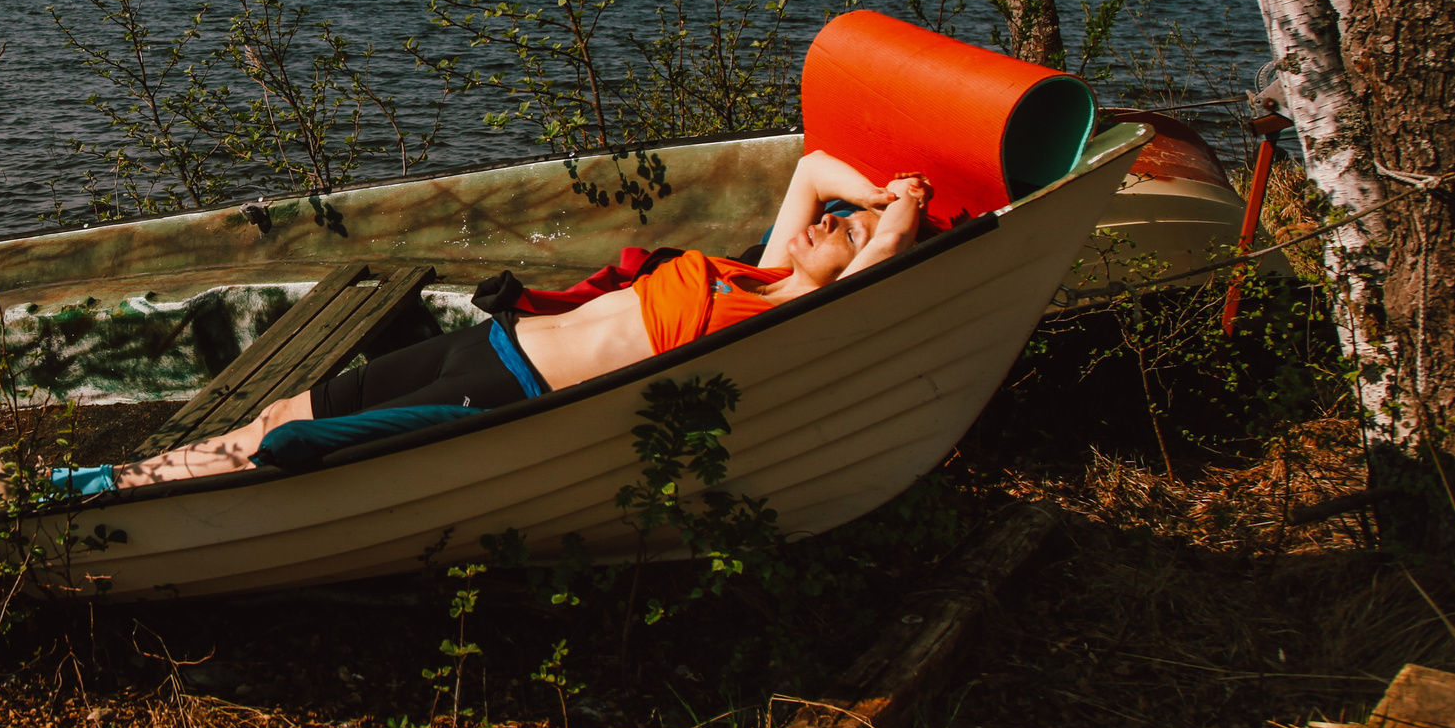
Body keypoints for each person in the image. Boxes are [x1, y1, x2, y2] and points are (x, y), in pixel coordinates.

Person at [74, 153, 932, 494]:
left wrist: (902, 206)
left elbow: (890, 246)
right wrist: (872, 191)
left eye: (847, 233)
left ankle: (127, 502)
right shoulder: (763, 269)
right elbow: (812, 169)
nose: (831, 225)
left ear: (860, 263)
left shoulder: (790, 312)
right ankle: (108, 478)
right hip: (487, 341)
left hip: (507, 393)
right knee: (271, 414)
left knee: (284, 454)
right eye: (837, 220)